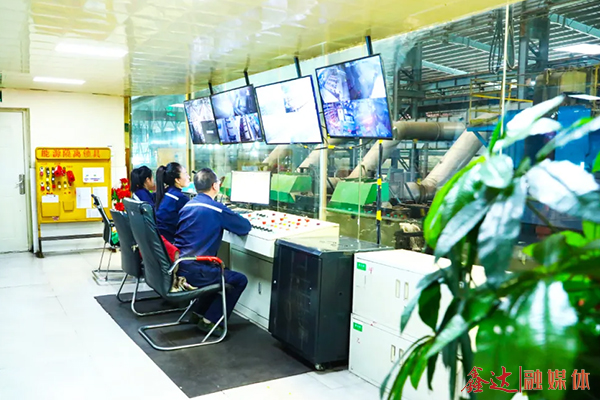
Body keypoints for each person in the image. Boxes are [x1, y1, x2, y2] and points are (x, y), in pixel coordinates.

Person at [175, 168, 252, 336]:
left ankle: (198, 313)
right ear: (215, 186)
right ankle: (210, 321)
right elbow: (244, 227)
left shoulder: (188, 205)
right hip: (196, 271)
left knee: (217, 272)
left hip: (180, 266)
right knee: (238, 280)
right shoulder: (216, 209)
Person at [155, 162, 191, 243]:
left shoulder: (166, 193)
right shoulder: (180, 199)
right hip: (172, 243)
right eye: (185, 174)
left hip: (161, 240)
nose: (188, 177)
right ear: (177, 180)